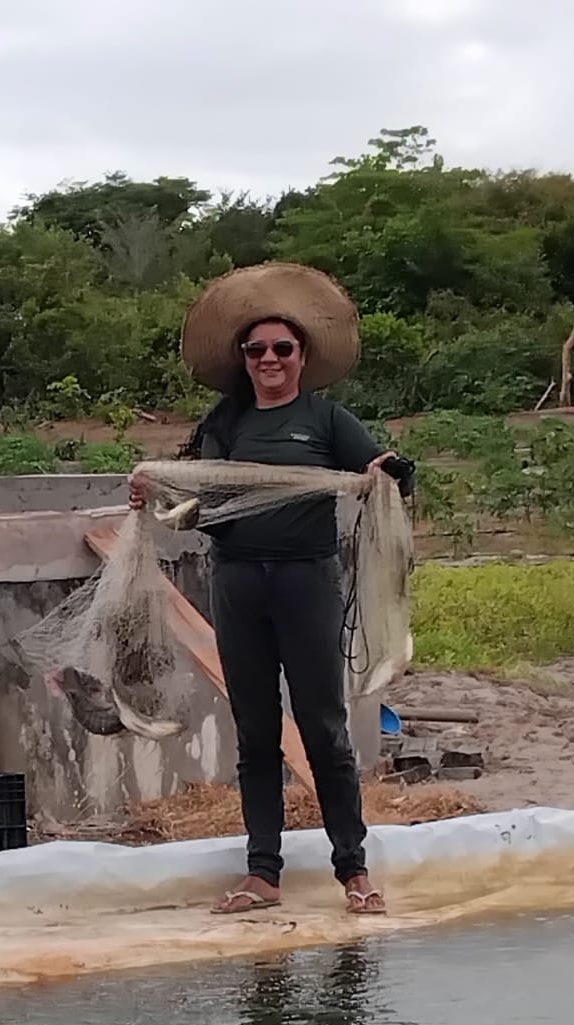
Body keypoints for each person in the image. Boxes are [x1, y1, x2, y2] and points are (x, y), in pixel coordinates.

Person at [130, 263, 415, 917]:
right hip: (237, 584)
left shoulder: (325, 418)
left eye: (281, 349)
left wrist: (391, 472)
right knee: (256, 733)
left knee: (323, 728)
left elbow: (374, 469)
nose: (268, 359)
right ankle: (262, 873)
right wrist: (153, 492)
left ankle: (354, 871)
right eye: (255, 350)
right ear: (243, 359)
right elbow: (195, 504)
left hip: (307, 583)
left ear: (301, 356)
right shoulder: (225, 423)